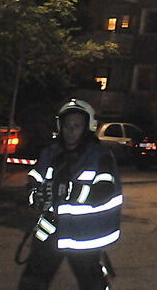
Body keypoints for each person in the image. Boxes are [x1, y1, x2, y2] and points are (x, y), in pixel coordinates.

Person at [18, 99, 122, 290]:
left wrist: (69, 192)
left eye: (76, 126)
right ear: (60, 127)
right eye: (67, 125)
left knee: (92, 284)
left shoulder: (100, 156)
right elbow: (34, 180)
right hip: (50, 230)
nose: (70, 130)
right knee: (31, 283)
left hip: (83, 235)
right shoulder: (50, 153)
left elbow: (104, 191)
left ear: (87, 127)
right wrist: (35, 196)